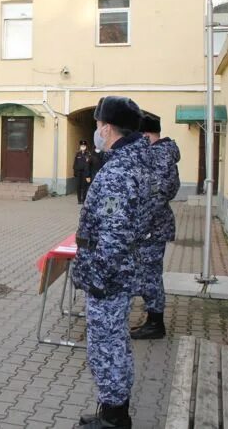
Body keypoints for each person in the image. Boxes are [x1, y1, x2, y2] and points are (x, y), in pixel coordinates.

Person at [71, 96, 153, 429]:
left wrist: (98, 276)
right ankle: (113, 407)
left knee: (106, 345)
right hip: (119, 269)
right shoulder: (134, 160)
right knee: (115, 341)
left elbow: (114, 234)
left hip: (108, 274)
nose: (96, 132)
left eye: (98, 125)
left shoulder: (120, 169)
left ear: (107, 127)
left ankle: (115, 417)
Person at [131, 114, 180, 340]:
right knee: (148, 274)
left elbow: (155, 196)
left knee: (150, 275)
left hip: (152, 226)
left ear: (146, 135)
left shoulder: (159, 156)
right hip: (152, 225)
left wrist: (136, 224)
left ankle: (155, 324)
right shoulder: (161, 154)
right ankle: (152, 319)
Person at [73, 140, 92, 204]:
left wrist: (88, 174)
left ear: (86, 146)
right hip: (78, 172)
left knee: (84, 186)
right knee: (78, 186)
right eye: (82, 145)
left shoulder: (88, 154)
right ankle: (79, 200)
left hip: (85, 172)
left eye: (84, 145)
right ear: (80, 146)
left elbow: (89, 164)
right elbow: (75, 163)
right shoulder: (77, 153)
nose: (83, 146)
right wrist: (75, 172)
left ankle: (83, 199)